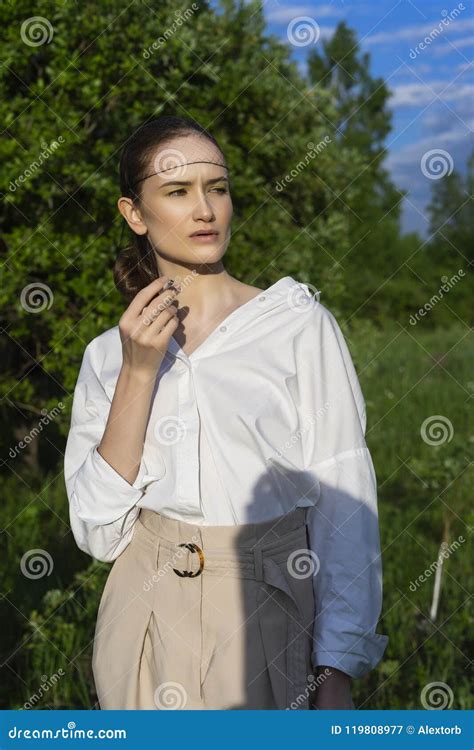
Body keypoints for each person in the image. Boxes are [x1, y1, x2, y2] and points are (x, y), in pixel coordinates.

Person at [64, 115, 388, 711]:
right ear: (135, 214)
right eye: (178, 192)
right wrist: (139, 372)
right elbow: (98, 532)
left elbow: (346, 497)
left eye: (217, 187)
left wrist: (337, 665)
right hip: (143, 614)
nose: (205, 209)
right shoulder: (110, 354)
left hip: (268, 608)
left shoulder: (296, 326)